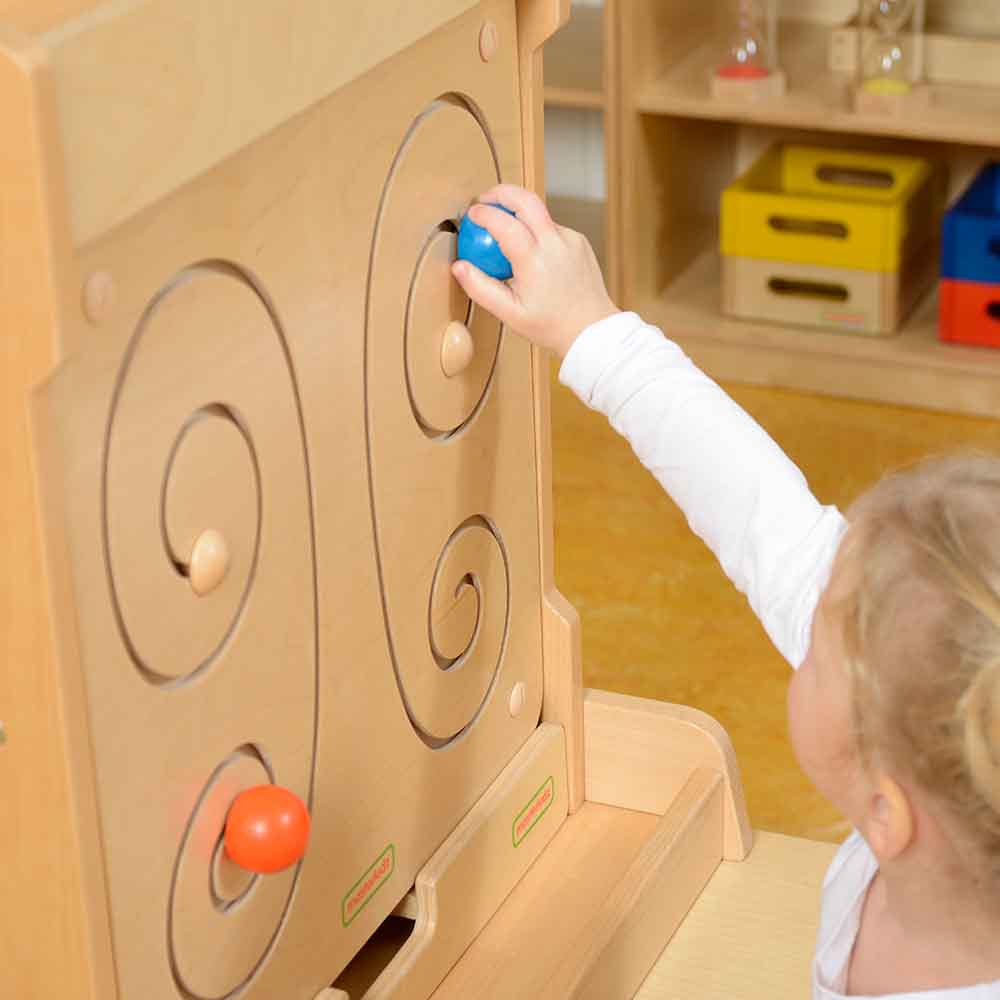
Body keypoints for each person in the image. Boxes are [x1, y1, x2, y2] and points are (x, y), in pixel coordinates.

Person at [452, 185, 1000, 998]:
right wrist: (594, 332)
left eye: (818, 647)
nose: (810, 588)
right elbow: (762, 515)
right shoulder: (934, 768)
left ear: (887, 812)